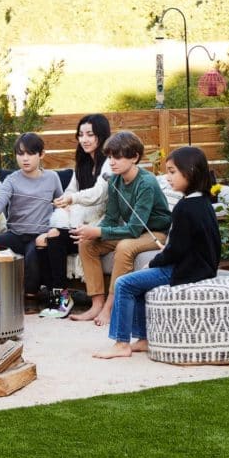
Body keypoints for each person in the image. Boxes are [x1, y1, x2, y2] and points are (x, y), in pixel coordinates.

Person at [94, 146, 220, 359]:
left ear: (189, 172)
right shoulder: (204, 202)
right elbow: (191, 245)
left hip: (184, 270)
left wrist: (153, 263)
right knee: (139, 284)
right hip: (200, 267)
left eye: (172, 172)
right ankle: (143, 339)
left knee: (123, 283)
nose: (168, 178)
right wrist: (167, 252)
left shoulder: (184, 208)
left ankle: (121, 343)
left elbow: (175, 252)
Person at [69, 130, 171, 326]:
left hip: (155, 233)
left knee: (125, 247)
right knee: (87, 244)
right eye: (109, 157)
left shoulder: (146, 183)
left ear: (134, 157)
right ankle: (96, 305)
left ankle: (110, 308)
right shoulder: (114, 179)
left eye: (117, 156)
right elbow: (111, 219)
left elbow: (133, 229)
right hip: (135, 230)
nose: (112, 162)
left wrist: (98, 231)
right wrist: (91, 230)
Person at [0, 133, 65, 305]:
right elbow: (0, 199)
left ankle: (30, 298)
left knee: (33, 255)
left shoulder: (52, 178)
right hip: (15, 234)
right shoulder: (11, 179)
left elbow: (61, 204)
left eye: (30, 153)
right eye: (20, 154)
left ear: (41, 155)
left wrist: (58, 226)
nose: (25, 159)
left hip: (39, 235)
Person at [48, 113, 113, 234]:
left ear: (102, 135)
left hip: (103, 219)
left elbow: (99, 193)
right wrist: (65, 203)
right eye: (81, 135)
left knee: (55, 237)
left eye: (90, 135)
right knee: (53, 232)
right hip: (81, 217)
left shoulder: (110, 162)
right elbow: (71, 190)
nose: (84, 140)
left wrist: (72, 199)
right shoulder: (83, 163)